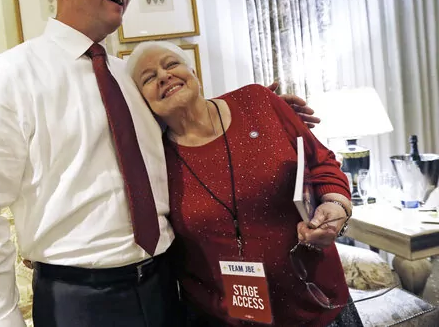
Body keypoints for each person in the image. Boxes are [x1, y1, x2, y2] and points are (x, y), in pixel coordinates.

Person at [0, 0, 320, 326]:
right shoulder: (9, 76)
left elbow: (186, 131)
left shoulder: (130, 79)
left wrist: (258, 112)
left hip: (168, 287)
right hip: (78, 302)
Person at [126, 41, 363, 327]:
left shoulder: (258, 101)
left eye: (171, 64)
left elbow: (321, 161)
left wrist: (336, 205)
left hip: (318, 304)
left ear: (192, 71)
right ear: (141, 101)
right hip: (224, 319)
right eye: (149, 78)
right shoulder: (153, 159)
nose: (164, 76)